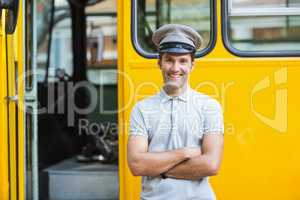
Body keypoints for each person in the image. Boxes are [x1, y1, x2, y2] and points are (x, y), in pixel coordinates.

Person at [127, 24, 224, 200]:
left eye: (183, 61)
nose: (175, 68)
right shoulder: (142, 109)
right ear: (159, 63)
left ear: (192, 65)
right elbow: (137, 165)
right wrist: (185, 153)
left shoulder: (210, 106)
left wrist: (159, 169)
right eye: (169, 60)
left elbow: (211, 164)